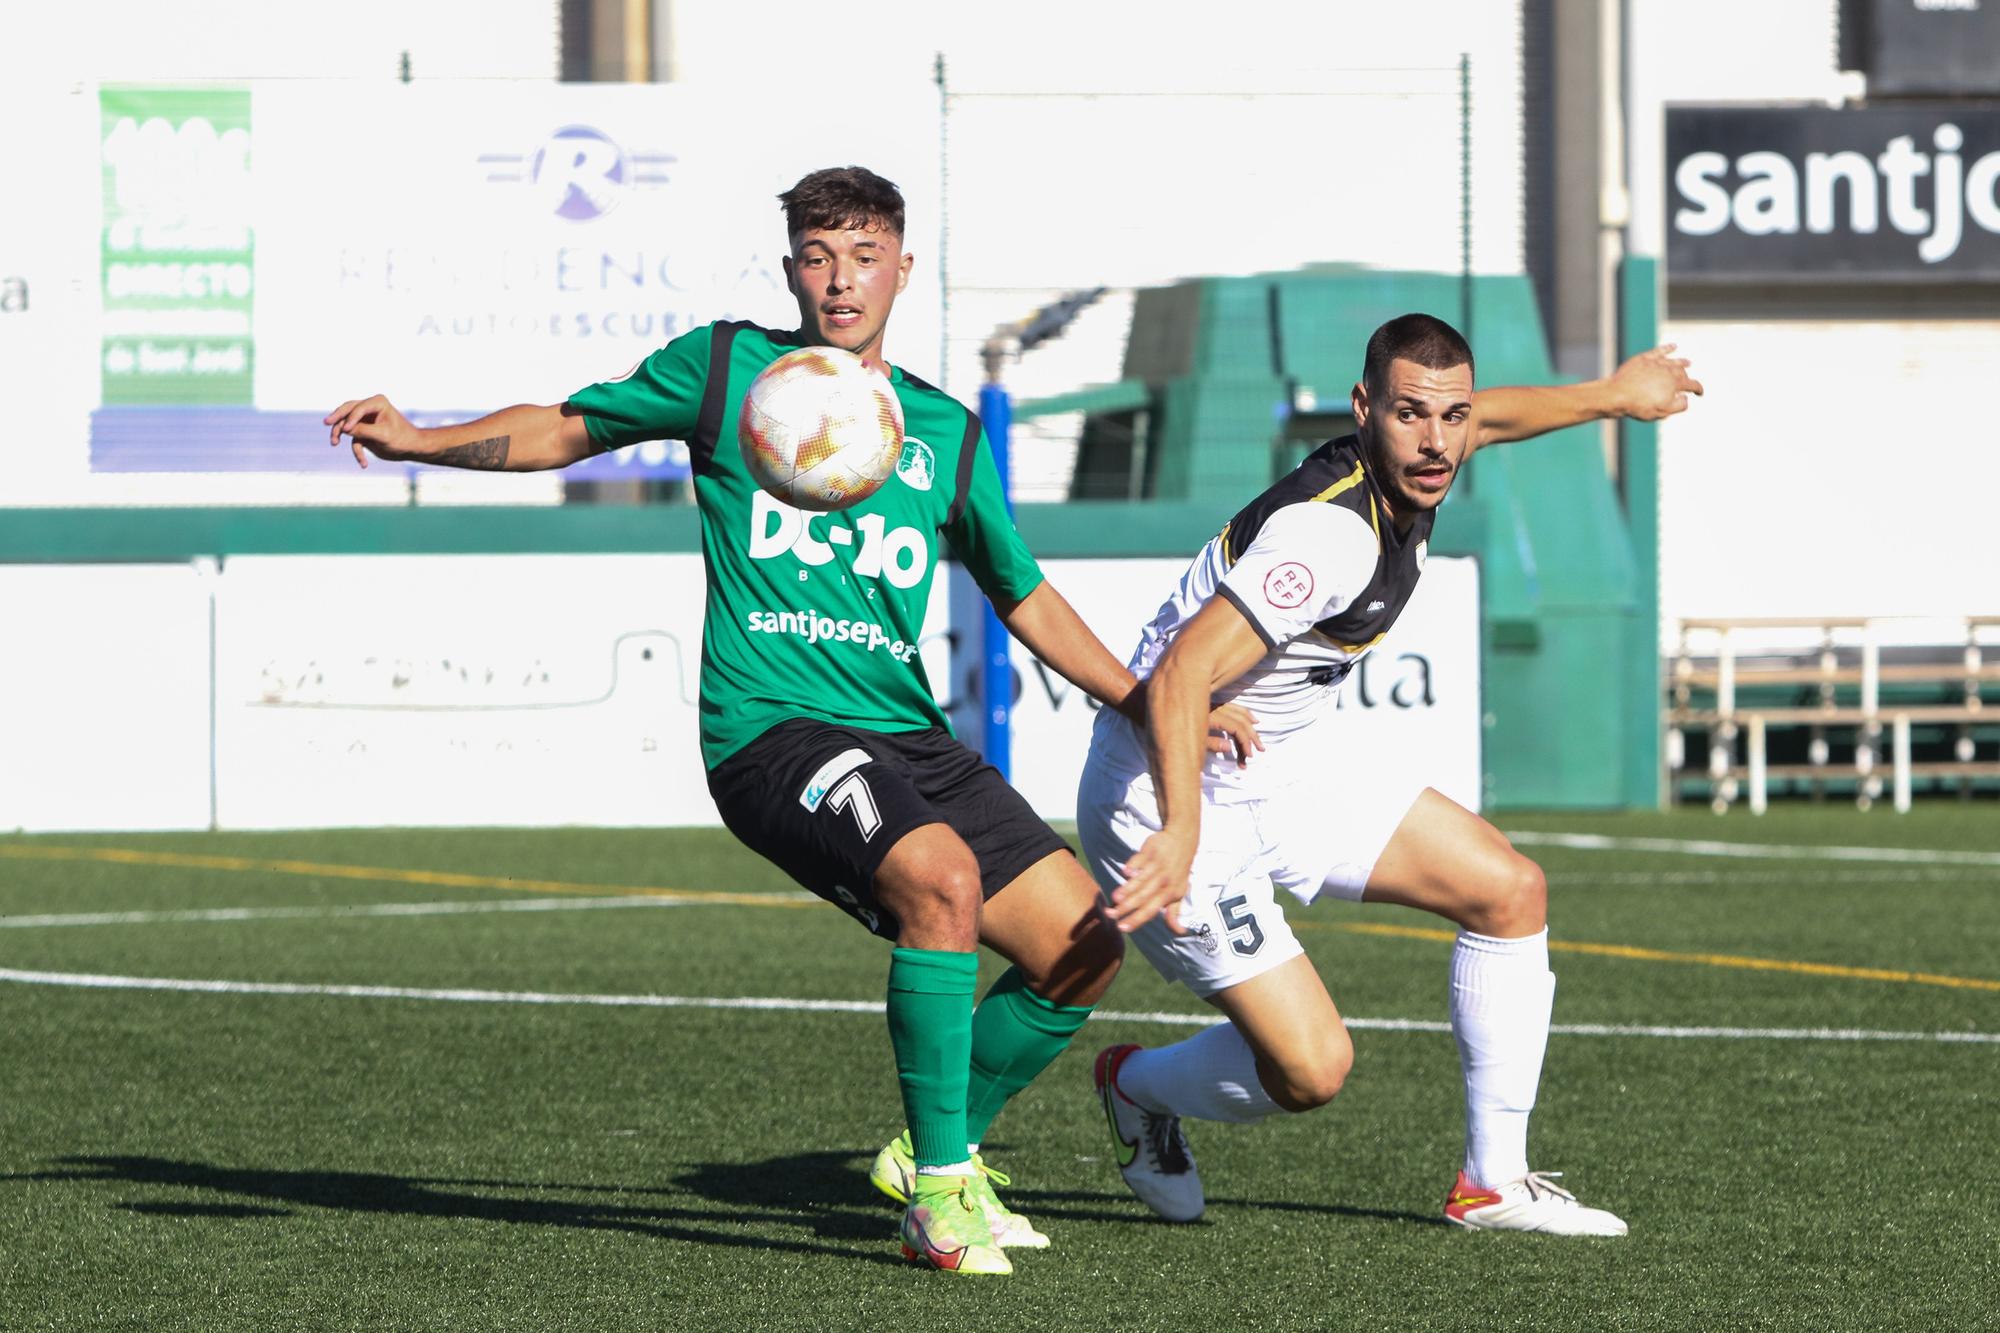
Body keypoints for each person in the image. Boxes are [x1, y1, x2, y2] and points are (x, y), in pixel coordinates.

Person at [325, 165, 1249, 1278]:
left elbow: (1027, 597)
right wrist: (423, 440)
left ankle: (927, 1153)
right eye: (817, 256)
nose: (838, 278)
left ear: (903, 268)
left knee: (1083, 948)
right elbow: (569, 428)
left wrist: (1152, 705)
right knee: (941, 881)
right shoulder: (724, 370)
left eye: (862, 255)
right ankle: (945, 1194)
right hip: (771, 732)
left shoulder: (946, 433)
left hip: (903, 734)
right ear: (790, 270)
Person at [1077, 313, 1702, 1235]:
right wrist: (1178, 829)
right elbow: (1177, 678)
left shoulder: (1429, 449)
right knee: (1311, 1071)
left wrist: (1615, 393)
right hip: (1167, 792)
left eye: (1453, 416)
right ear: (1365, 407)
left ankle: (1494, 1183)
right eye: (1413, 415)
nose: (1440, 440)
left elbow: (1498, 417)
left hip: (1281, 763)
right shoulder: (1327, 537)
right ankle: (1134, 1087)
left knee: (1509, 890)